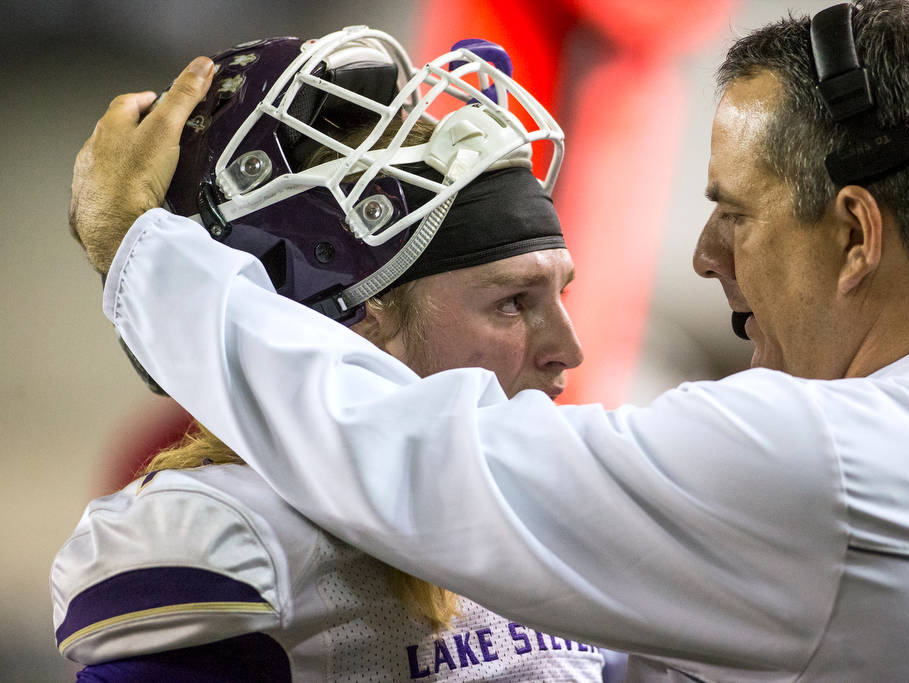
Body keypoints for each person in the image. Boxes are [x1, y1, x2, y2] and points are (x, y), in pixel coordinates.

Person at [68, 1, 909, 680]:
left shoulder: (824, 464)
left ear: (856, 234)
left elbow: (424, 457)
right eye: (513, 299)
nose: (703, 256)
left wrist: (136, 248)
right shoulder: (224, 539)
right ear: (351, 313)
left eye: (734, 213)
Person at [52, 29, 608, 681]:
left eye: (559, 292)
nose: (567, 349)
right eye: (513, 302)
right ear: (350, 320)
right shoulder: (239, 538)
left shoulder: (559, 507)